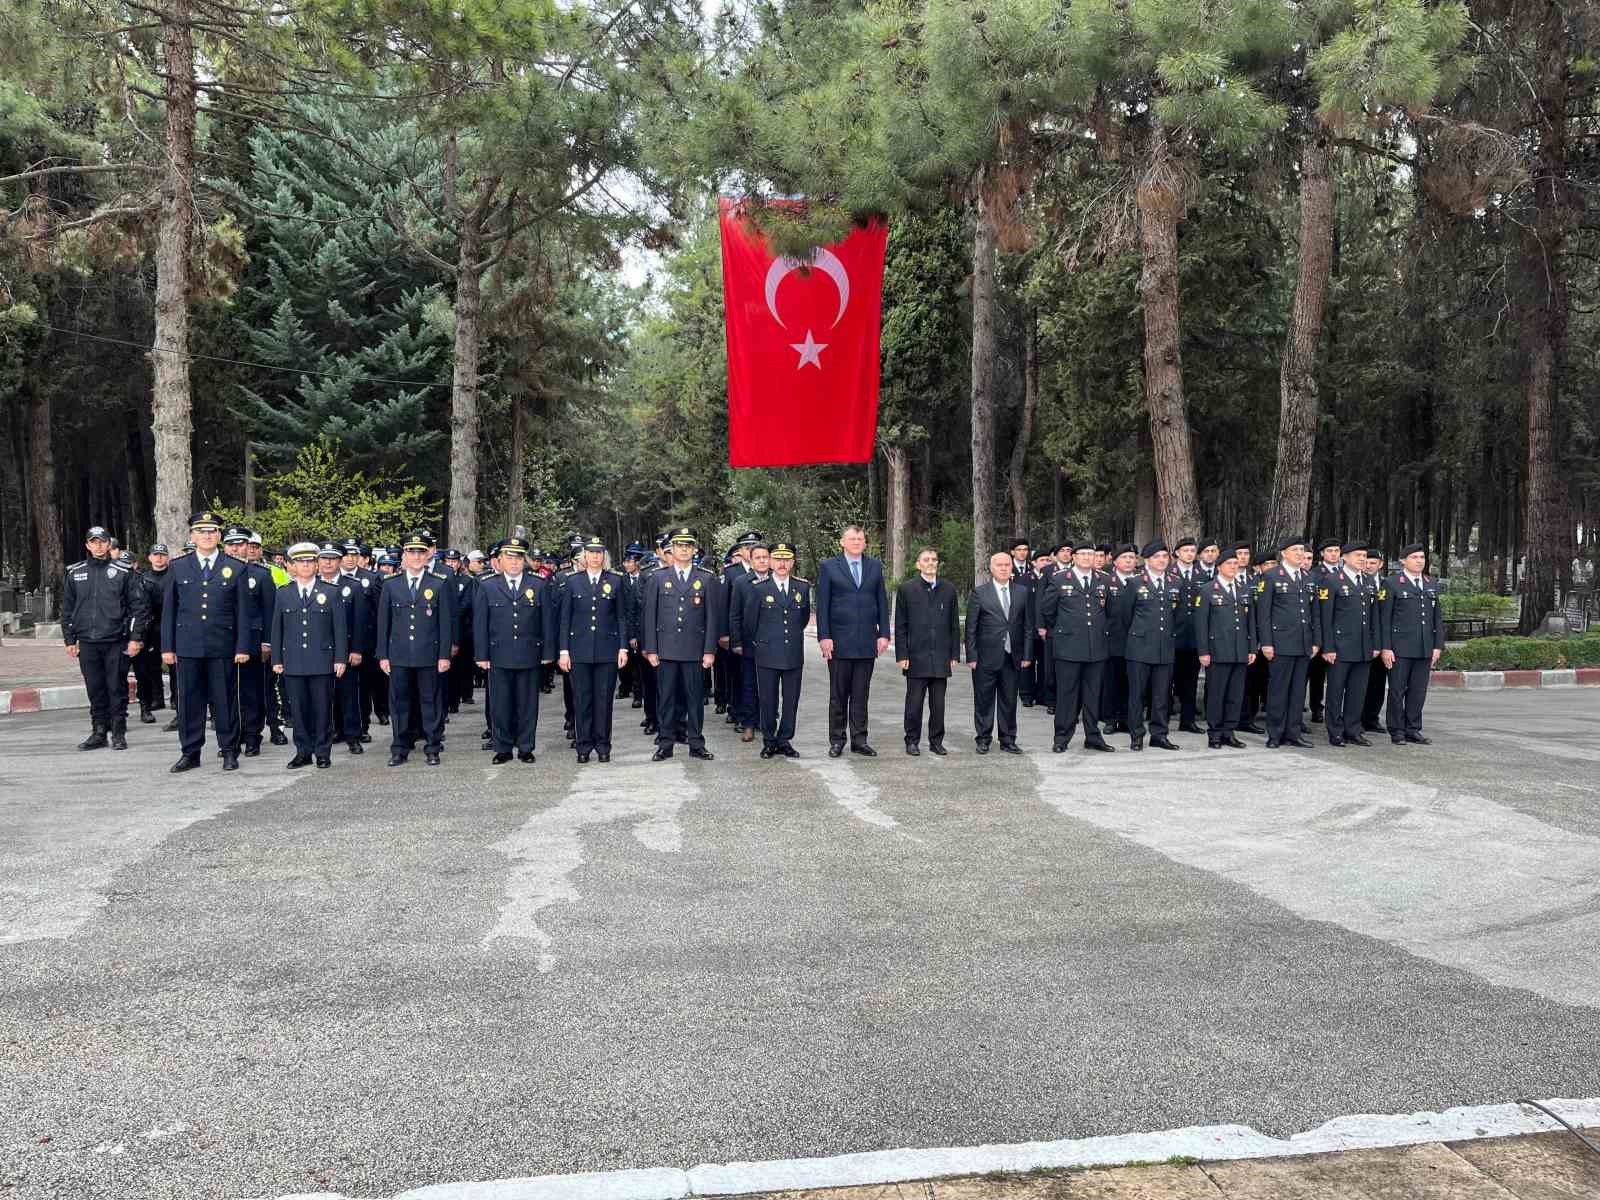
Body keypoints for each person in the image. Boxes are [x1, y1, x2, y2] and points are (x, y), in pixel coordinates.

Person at [161, 511, 253, 772]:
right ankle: (190, 752)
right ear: (192, 535)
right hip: (188, 646)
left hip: (222, 646)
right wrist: (168, 647)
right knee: (190, 702)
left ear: (219, 536)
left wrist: (242, 647)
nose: (207, 536)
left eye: (212, 531)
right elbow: (169, 610)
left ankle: (228, 750)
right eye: (201, 532)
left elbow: (243, 612)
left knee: (224, 700)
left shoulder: (235, 567)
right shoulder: (178, 567)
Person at [63, 525, 147, 751]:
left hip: (115, 641)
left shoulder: (123, 571)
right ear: (87, 545)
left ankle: (118, 733)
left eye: (102, 541)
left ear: (109, 544)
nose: (98, 545)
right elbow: (67, 609)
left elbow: (137, 608)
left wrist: (135, 638)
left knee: (116, 688)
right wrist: (69, 640)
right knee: (95, 688)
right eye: (94, 541)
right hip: (87, 642)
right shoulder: (74, 572)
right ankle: (98, 732)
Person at [475, 536, 557, 764]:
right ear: (499, 561)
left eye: (518, 558)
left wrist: (548, 653)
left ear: (524, 561)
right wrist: (481, 655)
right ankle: (502, 748)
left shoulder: (538, 585)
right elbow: (480, 623)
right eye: (509, 558)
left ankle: (525, 747)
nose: (514, 562)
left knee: (528, 704)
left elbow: (547, 622)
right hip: (498, 654)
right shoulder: (487, 585)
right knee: (500, 705)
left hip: (529, 654)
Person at [376, 530, 454, 766]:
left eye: (421, 552)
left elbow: (445, 623)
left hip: (428, 654)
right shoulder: (391, 585)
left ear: (427, 555)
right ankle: (399, 748)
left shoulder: (438, 584)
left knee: (430, 701)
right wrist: (383, 655)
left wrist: (444, 655)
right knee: (399, 704)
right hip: (398, 655)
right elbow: (384, 622)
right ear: (404, 556)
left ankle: (432, 747)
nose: (417, 557)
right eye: (412, 552)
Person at [641, 527, 719, 761]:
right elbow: (650, 617)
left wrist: (709, 650)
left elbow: (711, 618)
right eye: (679, 546)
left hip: (694, 651)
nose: (684, 550)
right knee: (666, 699)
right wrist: (651, 649)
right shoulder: (658, 578)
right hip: (666, 650)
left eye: (688, 546)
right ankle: (666, 744)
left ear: (694, 550)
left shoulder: (705, 578)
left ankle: (696, 743)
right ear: (671, 550)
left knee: (694, 699)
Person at [271, 542, 348, 768]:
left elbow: (340, 629)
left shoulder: (330, 592)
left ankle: (322, 752)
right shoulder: (283, 593)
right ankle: (303, 751)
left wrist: (340, 658)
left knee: (322, 709)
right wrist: (276, 659)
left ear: (316, 565)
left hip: (322, 661)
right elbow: (277, 629)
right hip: (293, 661)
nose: (305, 565)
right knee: (298, 710)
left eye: (309, 561)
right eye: (300, 562)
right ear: (292, 566)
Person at [815, 524, 889, 757]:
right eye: (852, 538)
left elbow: (881, 601)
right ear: (842, 542)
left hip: (866, 642)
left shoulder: (874, 566)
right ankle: (837, 740)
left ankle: (860, 740)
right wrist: (824, 636)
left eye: (860, 538)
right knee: (838, 695)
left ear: (865, 543)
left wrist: (884, 634)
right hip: (838, 642)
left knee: (861, 694)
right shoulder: (829, 567)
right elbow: (823, 604)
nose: (857, 542)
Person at [559, 536, 631, 763]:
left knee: (603, 700)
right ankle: (583, 746)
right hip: (578, 650)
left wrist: (623, 648)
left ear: (604, 556)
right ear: (584, 556)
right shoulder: (572, 581)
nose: (595, 557)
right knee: (582, 700)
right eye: (591, 553)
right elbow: (565, 619)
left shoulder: (616, 580)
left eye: (600, 553)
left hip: (607, 650)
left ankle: (603, 746)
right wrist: (563, 651)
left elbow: (621, 617)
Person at [1038, 542, 1115, 753]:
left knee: (1093, 695)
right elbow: (1047, 610)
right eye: (1082, 554)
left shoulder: (1103, 580)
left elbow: (1110, 612)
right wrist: (1065, 630)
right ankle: (1062, 737)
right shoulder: (1060, 578)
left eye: (1091, 554)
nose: (1087, 557)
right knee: (1067, 695)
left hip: (1096, 648)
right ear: (1074, 556)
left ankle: (1093, 736)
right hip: (1068, 648)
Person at [742, 542, 810, 758]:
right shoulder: (759, 588)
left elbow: (804, 618)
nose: (782, 563)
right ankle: (769, 740)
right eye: (778, 559)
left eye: (786, 559)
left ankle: (785, 740)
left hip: (792, 654)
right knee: (768, 701)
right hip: (767, 654)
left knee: (791, 701)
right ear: (771, 562)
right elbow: (750, 623)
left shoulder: (802, 587)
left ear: (792, 562)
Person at [894, 546, 960, 756]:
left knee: (938, 705)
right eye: (926, 559)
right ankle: (912, 741)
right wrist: (902, 654)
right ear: (918, 564)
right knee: (914, 703)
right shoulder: (907, 589)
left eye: (934, 559)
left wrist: (954, 654)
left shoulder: (948, 589)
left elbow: (953, 625)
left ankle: (936, 741)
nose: (931, 563)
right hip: (916, 657)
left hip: (941, 657)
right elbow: (901, 625)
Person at [1254, 536, 1318, 748]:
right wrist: (1266, 643)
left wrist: (1316, 641)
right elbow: (1263, 614)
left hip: (1303, 643)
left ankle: (1294, 732)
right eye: (1295, 550)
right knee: (1278, 691)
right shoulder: (1271, 576)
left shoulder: (1308, 578)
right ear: (1283, 553)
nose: (1300, 554)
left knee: (1298, 691)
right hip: (1280, 643)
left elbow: (1314, 613)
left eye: (1302, 550)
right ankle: (1275, 733)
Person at [1115, 540, 1179, 751]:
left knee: (1162, 695)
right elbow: (1125, 616)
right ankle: (1136, 735)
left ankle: (1159, 734)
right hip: (1139, 648)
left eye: (1164, 557)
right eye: (1156, 557)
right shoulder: (1135, 583)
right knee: (1137, 695)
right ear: (1147, 560)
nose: (1161, 561)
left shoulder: (1174, 582)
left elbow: (1176, 615)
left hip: (1165, 648)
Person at [964, 550, 1031, 754]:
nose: (1003, 568)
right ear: (991, 568)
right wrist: (972, 656)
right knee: (984, 700)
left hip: (1013, 657)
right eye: (999, 565)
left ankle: (1008, 739)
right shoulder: (980, 593)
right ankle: (983, 738)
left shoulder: (1021, 592)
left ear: (1012, 568)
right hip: (985, 657)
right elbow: (971, 627)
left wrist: (1027, 655)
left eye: (1007, 565)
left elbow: (1028, 626)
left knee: (1009, 700)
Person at [1379, 542, 1443, 745]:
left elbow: (1437, 618)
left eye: (1422, 557)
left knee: (1418, 690)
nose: (1419, 561)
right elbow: (1384, 619)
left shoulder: (1430, 582)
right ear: (1403, 561)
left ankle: (1413, 728)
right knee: (1397, 690)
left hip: (1424, 647)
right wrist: (1386, 647)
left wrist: (1437, 646)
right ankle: (1396, 730)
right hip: (1400, 648)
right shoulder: (1391, 583)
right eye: (1414, 557)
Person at [1194, 545, 1255, 749]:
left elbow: (1251, 622)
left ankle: (1229, 732)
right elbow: (1201, 624)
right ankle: (1215, 733)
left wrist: (1252, 648)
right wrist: (1203, 651)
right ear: (1219, 567)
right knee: (1217, 694)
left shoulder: (1245, 589)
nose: (1233, 567)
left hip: (1240, 651)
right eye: (1229, 563)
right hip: (1218, 651)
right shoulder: (1208, 590)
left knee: (1235, 695)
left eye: (1236, 564)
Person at [1318, 539, 1378, 747]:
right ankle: (1335, 731)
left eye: (1364, 556)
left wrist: (1375, 644)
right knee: (1335, 691)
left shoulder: (1368, 581)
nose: (1362, 559)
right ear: (1345, 557)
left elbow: (1374, 617)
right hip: (1340, 647)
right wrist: (1328, 647)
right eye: (1357, 556)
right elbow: (1325, 618)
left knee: (1357, 691)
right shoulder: (1333, 580)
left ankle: (1353, 729)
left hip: (1363, 647)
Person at [223, 526, 277, 757]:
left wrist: (267, 642)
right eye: (231, 544)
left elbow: (269, 611)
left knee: (251, 692)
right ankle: (232, 738)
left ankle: (253, 736)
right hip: (223, 642)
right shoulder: (216, 573)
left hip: (254, 643)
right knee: (225, 695)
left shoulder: (261, 575)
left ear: (248, 547)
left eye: (240, 544)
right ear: (224, 547)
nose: (236, 548)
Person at [316, 542, 365, 756]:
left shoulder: (352, 586)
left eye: (332, 558)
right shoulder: (311, 585)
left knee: (348, 696)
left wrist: (356, 650)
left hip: (345, 650)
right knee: (322, 697)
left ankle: (353, 736)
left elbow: (359, 622)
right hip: (318, 651)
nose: (328, 562)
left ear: (340, 561)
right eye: (324, 558)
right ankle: (331, 732)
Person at [726, 541, 771, 742]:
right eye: (758, 558)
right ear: (750, 561)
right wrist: (736, 642)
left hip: (772, 644)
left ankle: (768, 722)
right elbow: (734, 615)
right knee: (749, 685)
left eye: (765, 557)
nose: (762, 561)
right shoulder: (742, 582)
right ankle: (749, 724)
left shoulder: (777, 579)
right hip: (749, 643)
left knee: (769, 686)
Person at [1167, 536, 1205, 733]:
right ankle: (1162, 719)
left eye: (1192, 551)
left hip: (1194, 637)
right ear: (1177, 554)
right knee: (1167, 680)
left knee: (1191, 680)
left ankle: (1188, 720)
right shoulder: (1168, 573)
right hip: (1172, 635)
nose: (1190, 554)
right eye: (1186, 551)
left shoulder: (1202, 575)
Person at [1100, 543, 1139, 735]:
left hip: (1137, 642)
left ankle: (1125, 719)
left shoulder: (1141, 582)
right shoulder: (1107, 582)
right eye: (1125, 557)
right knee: (1112, 682)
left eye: (1132, 558)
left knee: (1130, 683)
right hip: (1113, 640)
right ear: (1115, 561)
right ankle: (1110, 719)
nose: (1129, 561)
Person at [132, 543, 170, 724]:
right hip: (150, 626)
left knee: (174, 665)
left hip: (169, 624)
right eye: (156, 555)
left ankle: (177, 701)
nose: (159, 558)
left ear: (168, 557)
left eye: (162, 555)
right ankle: (156, 698)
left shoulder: (174, 575)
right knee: (151, 666)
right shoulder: (144, 578)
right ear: (149, 558)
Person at [1306, 538, 1343, 724]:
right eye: (1330, 551)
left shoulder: (1345, 573)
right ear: (1322, 554)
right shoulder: (1315, 574)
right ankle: (1316, 708)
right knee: (1317, 675)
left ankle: (1336, 711)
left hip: (1341, 633)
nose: (1334, 554)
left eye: (1336, 550)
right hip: (1320, 630)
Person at [1361, 549, 1390, 732]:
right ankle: (1356, 717)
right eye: (1367, 562)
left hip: (1383, 641)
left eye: (1374, 562)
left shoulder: (1389, 584)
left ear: (1380, 564)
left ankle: (1372, 718)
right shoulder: (1359, 583)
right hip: (1363, 641)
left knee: (1378, 683)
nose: (1369, 565)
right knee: (1360, 683)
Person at [617, 542, 647, 704]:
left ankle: (640, 693)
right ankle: (629, 690)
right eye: (625, 562)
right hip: (626, 624)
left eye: (630, 561)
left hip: (641, 626)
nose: (627, 565)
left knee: (641, 664)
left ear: (637, 563)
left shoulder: (645, 578)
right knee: (628, 662)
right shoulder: (621, 580)